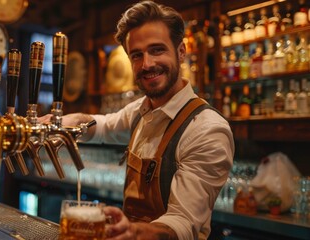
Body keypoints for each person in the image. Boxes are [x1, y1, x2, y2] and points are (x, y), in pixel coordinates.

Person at [40, 1, 234, 239]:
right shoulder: (140, 111)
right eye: (137, 55)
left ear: (181, 52)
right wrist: (63, 122)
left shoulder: (207, 129)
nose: (147, 64)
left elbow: (183, 223)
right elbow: (101, 126)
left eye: (157, 50)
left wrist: (134, 232)